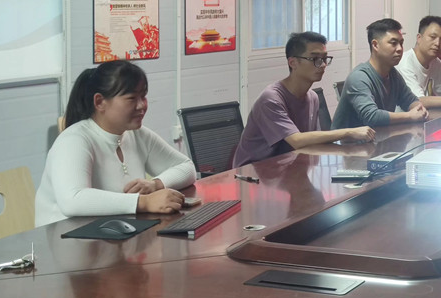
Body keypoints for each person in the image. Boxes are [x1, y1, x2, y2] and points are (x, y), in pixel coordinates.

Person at [35, 60, 195, 225]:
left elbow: (187, 168)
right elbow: (72, 200)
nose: (142, 105)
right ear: (99, 102)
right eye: (132, 98)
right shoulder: (74, 140)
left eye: (143, 96)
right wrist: (144, 202)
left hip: (115, 230)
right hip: (68, 236)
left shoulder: (137, 134)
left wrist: (156, 184)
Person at [232, 31, 375, 167]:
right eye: (315, 59)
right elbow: (296, 140)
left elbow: (313, 143)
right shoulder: (271, 99)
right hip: (252, 174)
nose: (323, 65)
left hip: (288, 168)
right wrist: (349, 132)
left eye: (324, 59)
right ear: (292, 62)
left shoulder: (312, 97)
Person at [332, 18, 428, 129]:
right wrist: (410, 116)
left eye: (401, 43)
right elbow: (371, 117)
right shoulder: (359, 77)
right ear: (375, 45)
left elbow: (410, 100)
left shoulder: (393, 74)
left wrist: (419, 109)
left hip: (378, 137)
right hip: (346, 140)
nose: (399, 49)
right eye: (393, 43)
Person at [397, 16, 441, 109]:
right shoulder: (404, 63)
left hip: (425, 116)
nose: (437, 43)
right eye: (432, 37)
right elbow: (417, 101)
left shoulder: (435, 62)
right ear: (419, 38)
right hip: (402, 117)